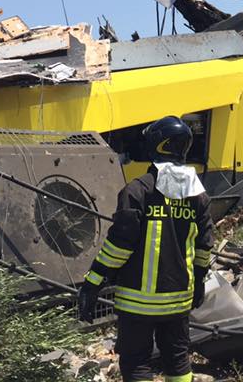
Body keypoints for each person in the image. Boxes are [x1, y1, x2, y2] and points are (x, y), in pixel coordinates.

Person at [77, 116, 213, 382]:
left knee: (137, 363)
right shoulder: (199, 197)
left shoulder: (138, 191)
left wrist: (92, 283)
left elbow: (119, 246)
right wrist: (198, 283)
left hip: (137, 304)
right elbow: (204, 247)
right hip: (178, 302)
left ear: (154, 146)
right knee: (177, 361)